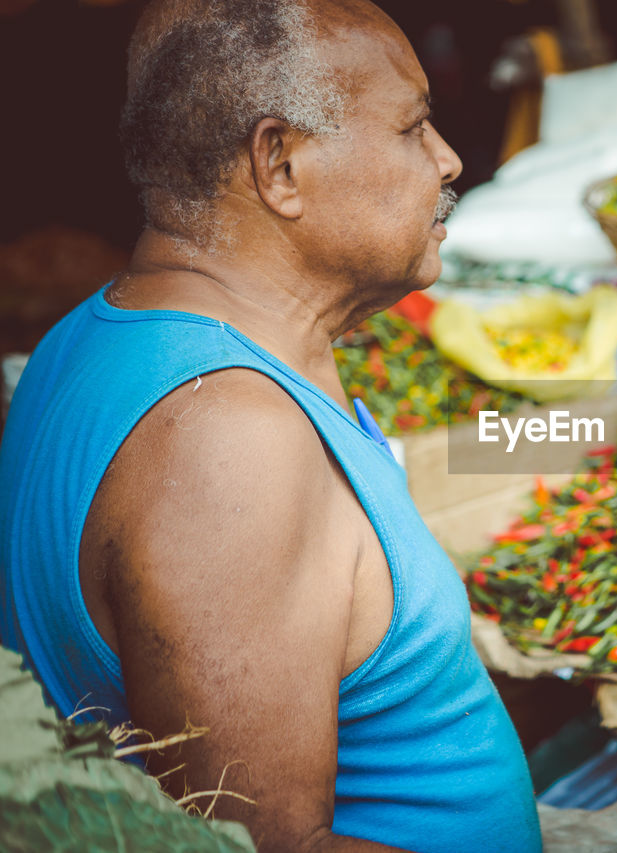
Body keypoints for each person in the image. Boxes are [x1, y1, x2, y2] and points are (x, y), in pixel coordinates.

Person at [0, 1, 542, 850]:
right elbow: (261, 845)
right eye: (413, 126)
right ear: (279, 164)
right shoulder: (226, 437)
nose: (448, 158)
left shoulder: (92, 336)